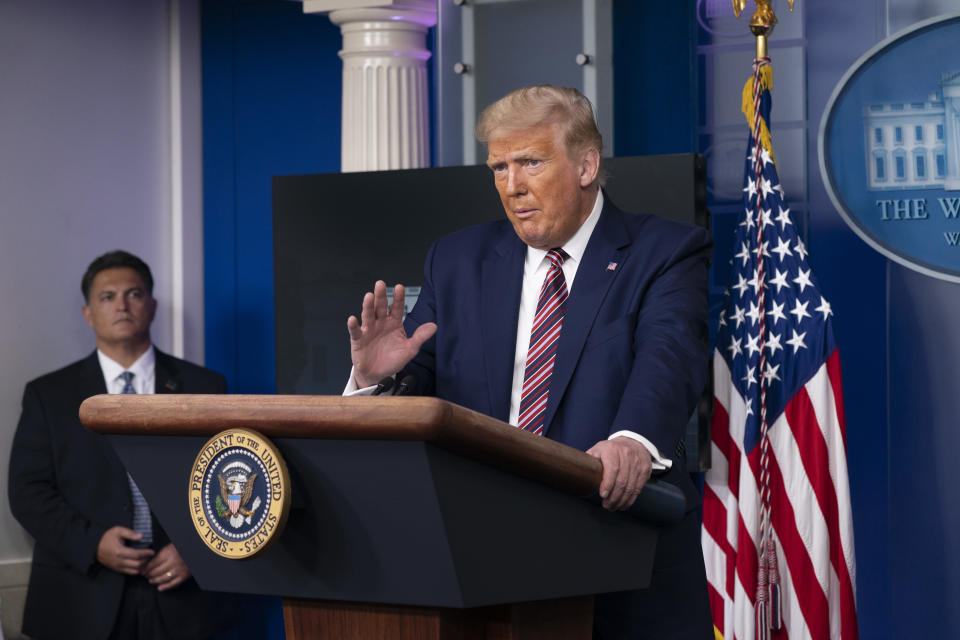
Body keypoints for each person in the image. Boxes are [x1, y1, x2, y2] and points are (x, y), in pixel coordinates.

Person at [345, 85, 714, 638]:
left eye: (531, 163)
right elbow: (419, 394)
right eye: (498, 168)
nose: (512, 186)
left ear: (586, 165)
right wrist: (375, 380)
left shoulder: (664, 252)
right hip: (482, 563)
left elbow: (670, 357)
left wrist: (633, 441)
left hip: (620, 553)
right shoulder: (458, 259)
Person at [8, 250, 230, 640]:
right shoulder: (49, 395)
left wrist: (196, 550)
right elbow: (27, 492)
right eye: (107, 297)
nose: (122, 305)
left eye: (134, 294)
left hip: (183, 597)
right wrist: (92, 542)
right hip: (80, 592)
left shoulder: (206, 388)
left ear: (153, 306)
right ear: (88, 313)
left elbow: (227, 479)